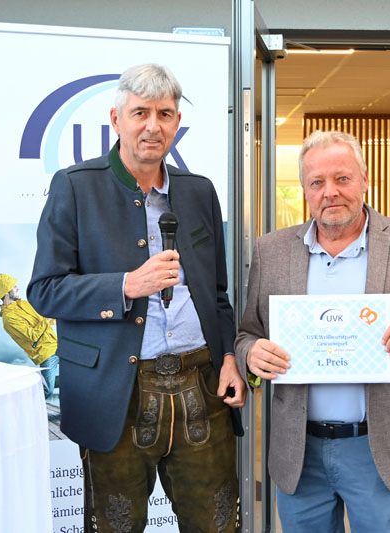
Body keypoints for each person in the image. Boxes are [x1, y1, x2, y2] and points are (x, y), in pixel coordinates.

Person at [27, 63, 245, 533]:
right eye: (140, 113)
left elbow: (217, 295)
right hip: (117, 394)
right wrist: (126, 285)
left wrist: (229, 357)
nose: (153, 126)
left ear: (177, 122)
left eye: (165, 114)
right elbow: (44, 290)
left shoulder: (200, 191)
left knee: (218, 525)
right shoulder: (75, 186)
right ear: (116, 119)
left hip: (202, 386)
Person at [235, 130, 390, 532]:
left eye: (342, 178)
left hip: (380, 448)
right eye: (317, 182)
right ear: (305, 190)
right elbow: (248, 334)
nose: (330, 192)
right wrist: (251, 355)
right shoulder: (270, 251)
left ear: (365, 180)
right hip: (300, 451)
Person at [0, 273, 59, 397]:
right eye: (14, 286)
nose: (18, 288)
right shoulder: (9, 319)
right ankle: (21, 401)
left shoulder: (24, 303)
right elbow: (33, 336)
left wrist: (59, 318)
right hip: (46, 353)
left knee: (79, 369)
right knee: (47, 390)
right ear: (6, 292)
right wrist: (46, 319)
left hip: (58, 344)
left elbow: (42, 318)